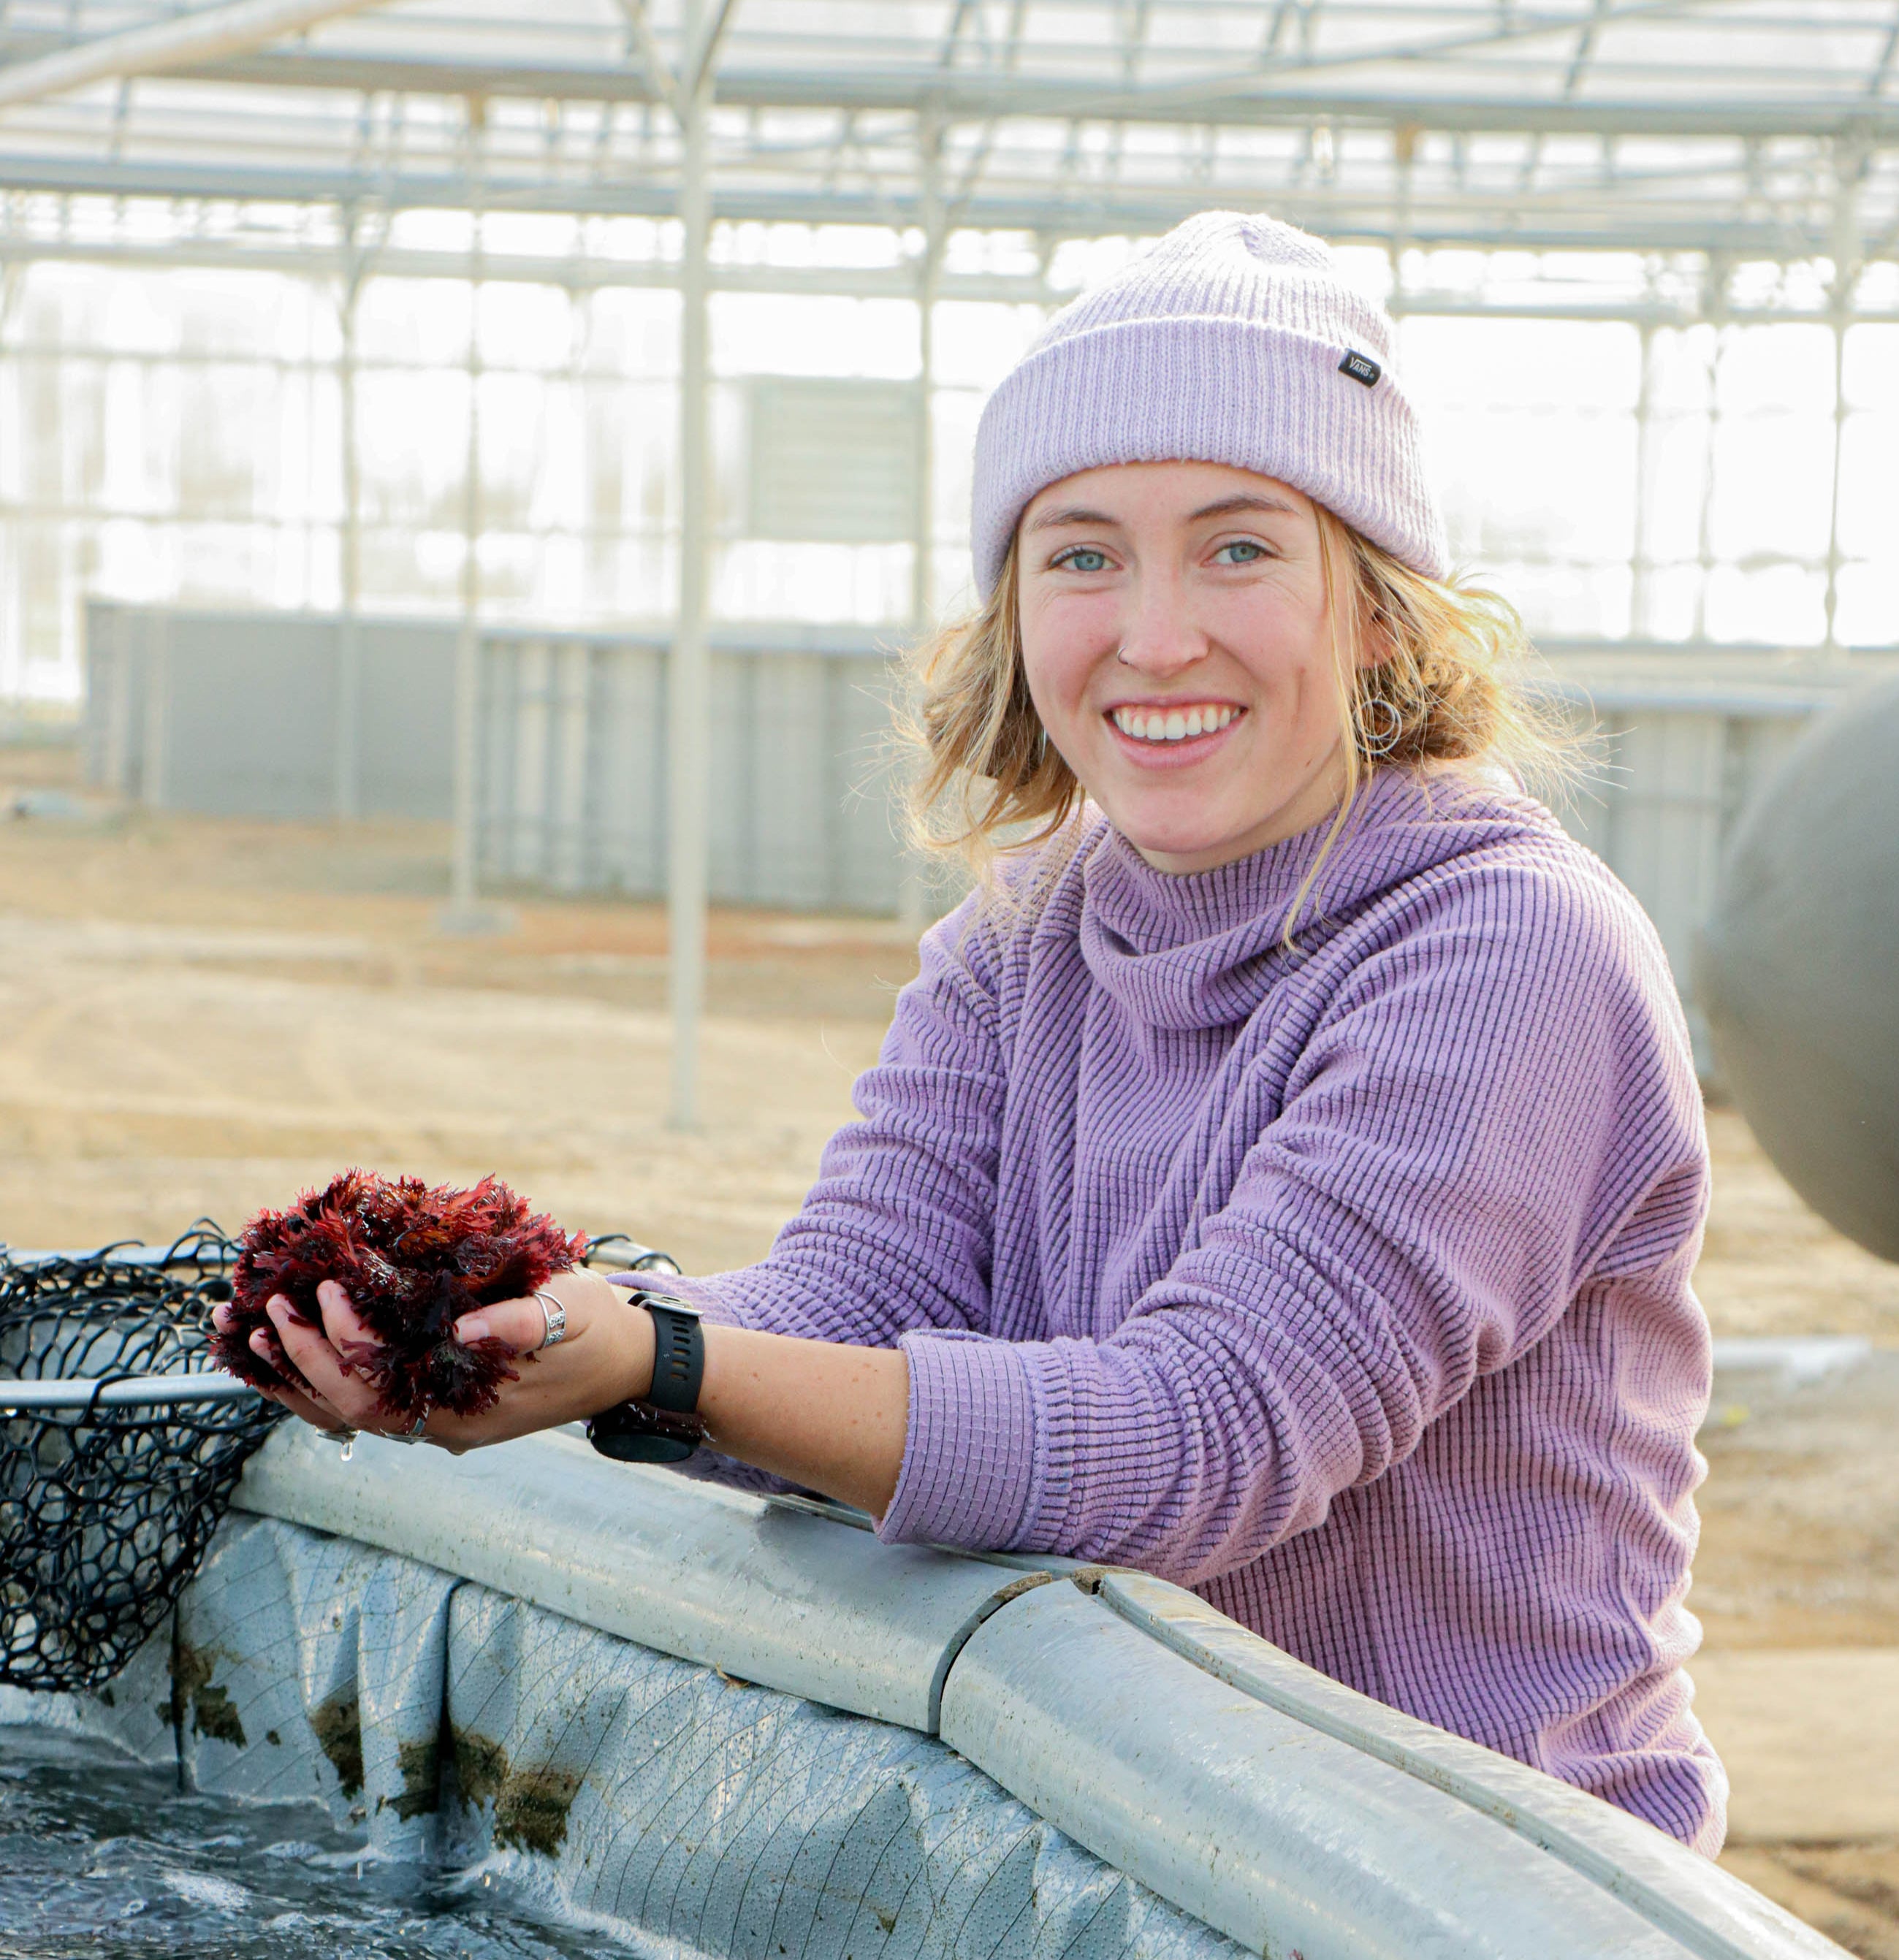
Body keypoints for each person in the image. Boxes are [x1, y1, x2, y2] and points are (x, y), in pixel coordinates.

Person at [221, 212, 1727, 1855]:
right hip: (1152, 1839)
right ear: (1012, 612)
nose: (1155, 634)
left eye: (1238, 547)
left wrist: (669, 1363)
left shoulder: (1509, 954)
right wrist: (547, 1327)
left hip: (1472, 1874)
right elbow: (853, 1305)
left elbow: (1198, 1443)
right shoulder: (1028, 935)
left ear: (1376, 609)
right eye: (1081, 554)